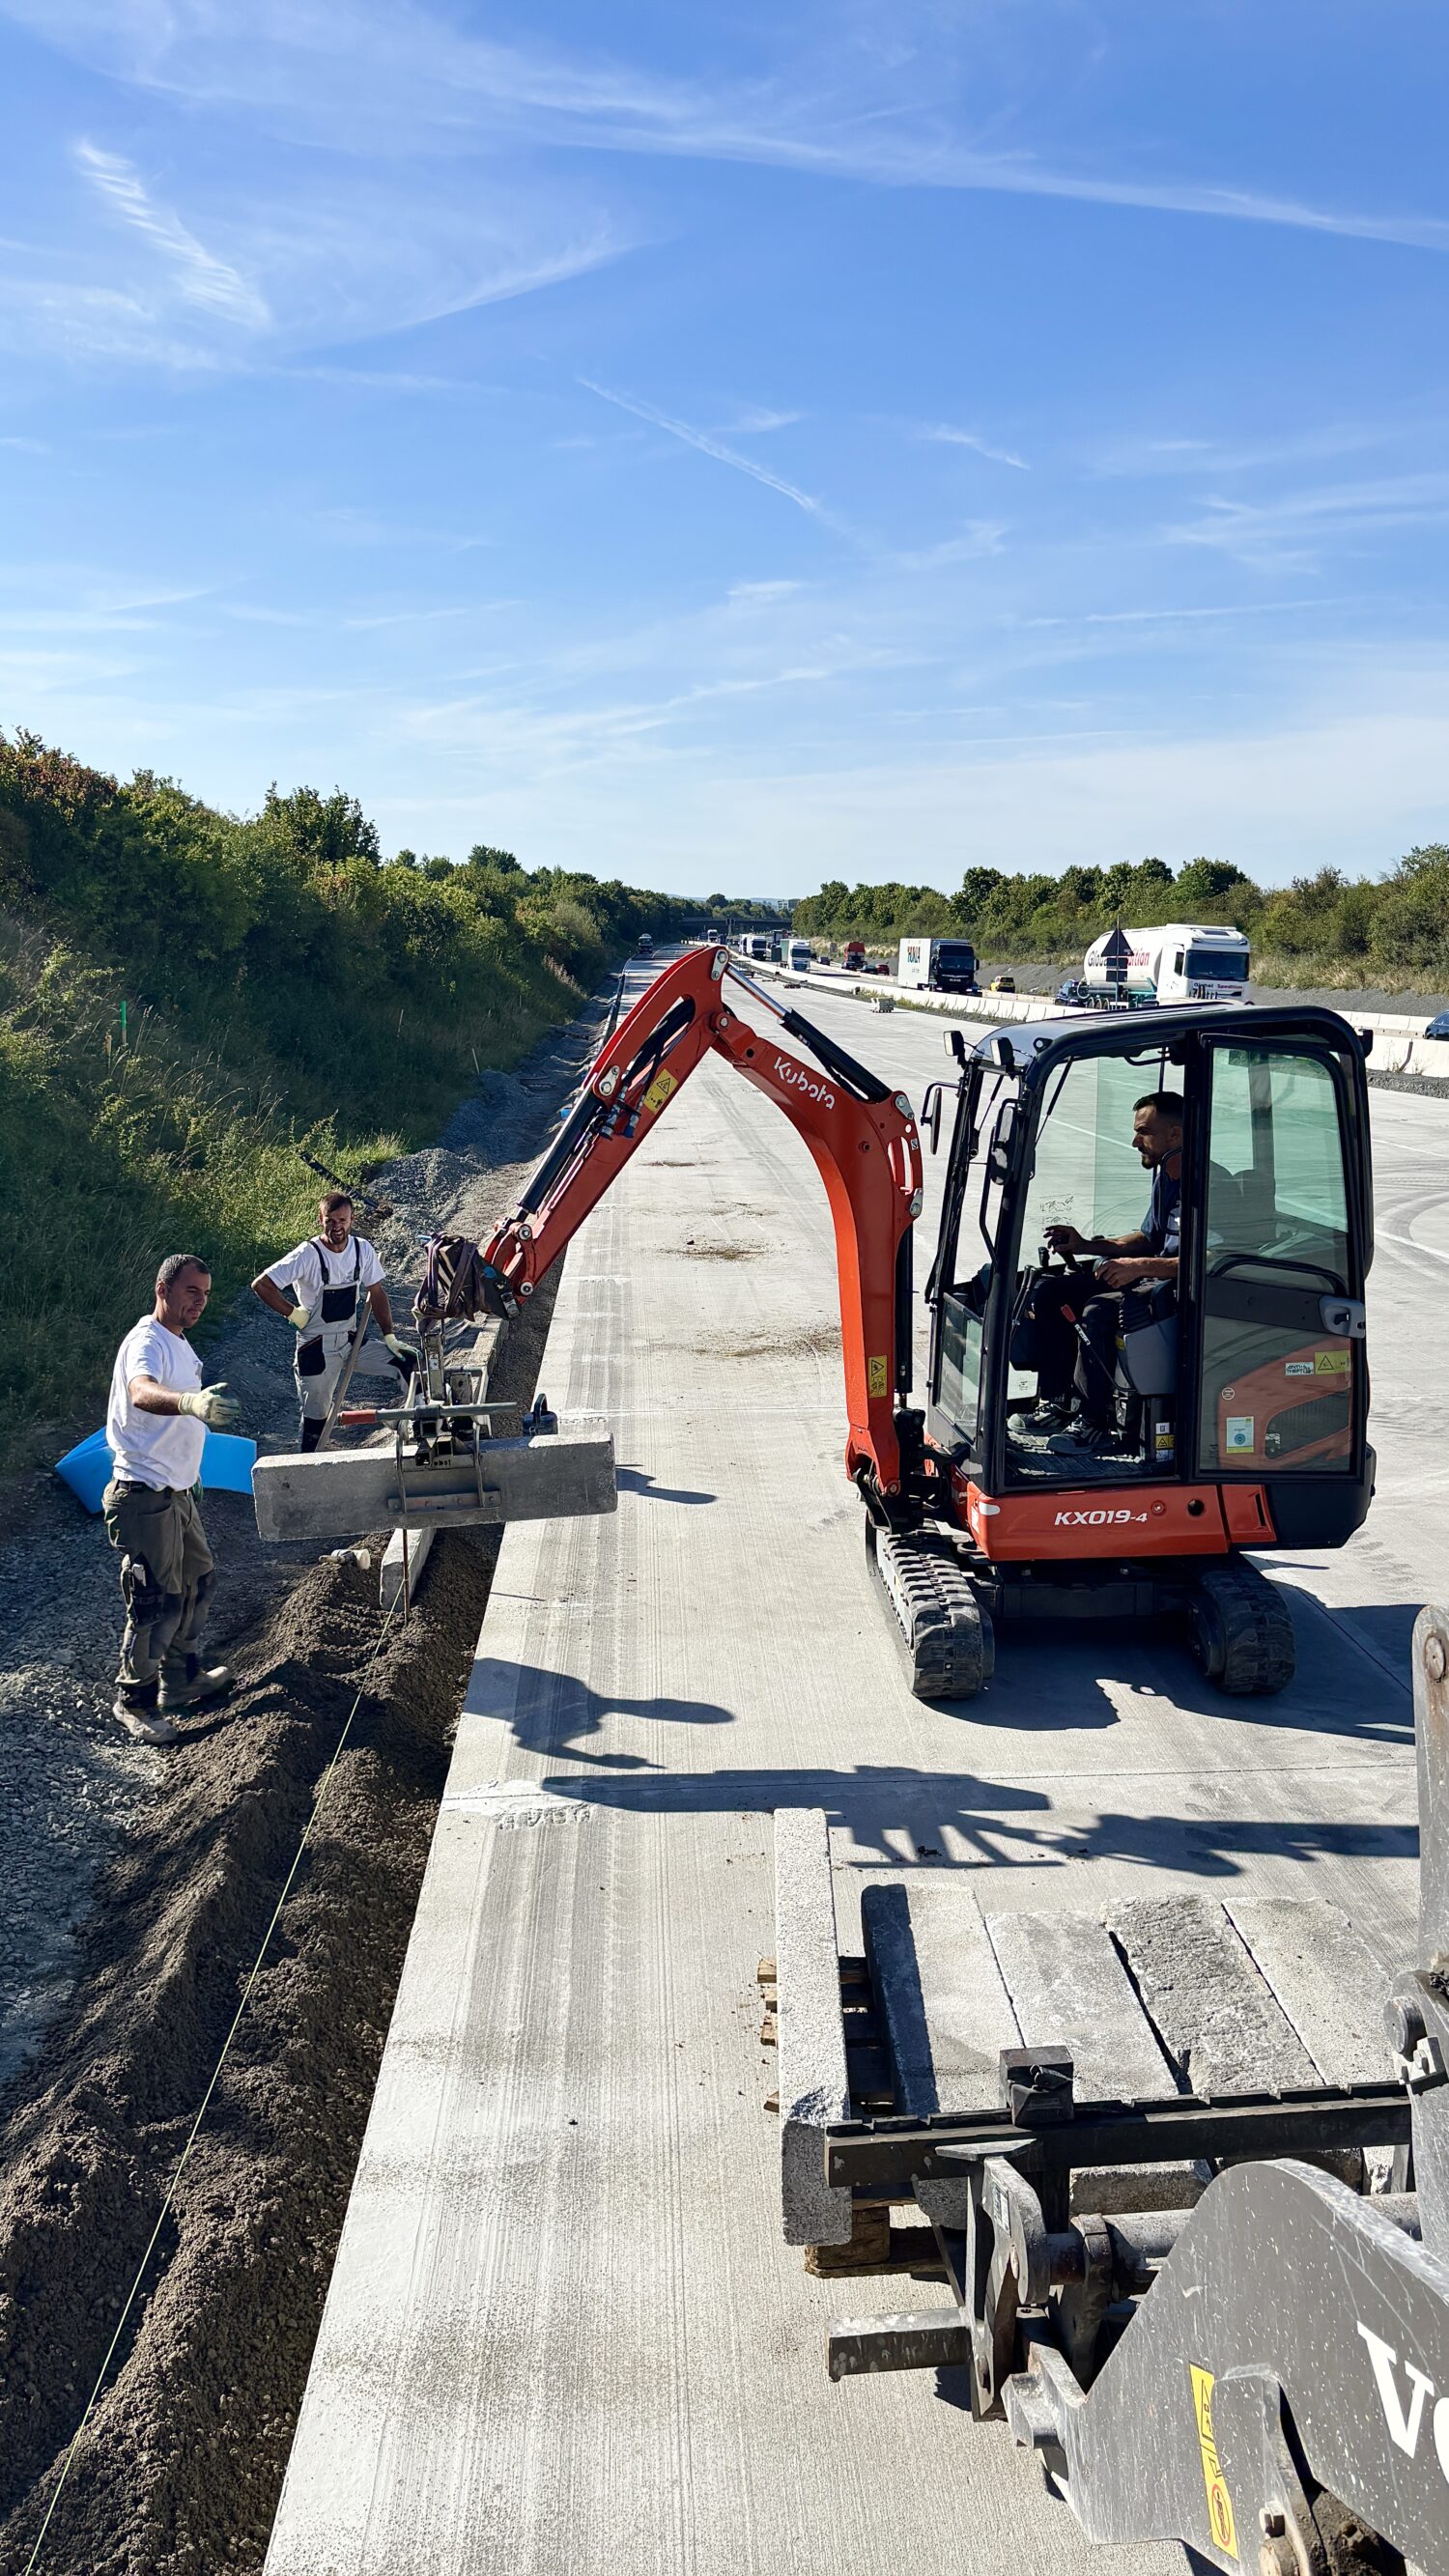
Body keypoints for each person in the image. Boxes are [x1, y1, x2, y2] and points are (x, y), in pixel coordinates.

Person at [104, 1255, 241, 1744]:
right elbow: (142, 1392)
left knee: (198, 1581)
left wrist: (191, 1470)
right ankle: (134, 1701)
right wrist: (189, 1402)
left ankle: (179, 1680)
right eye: (191, 1292)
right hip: (142, 1496)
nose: (200, 1301)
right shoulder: (147, 1340)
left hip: (177, 1492)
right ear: (163, 1288)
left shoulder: (180, 1343)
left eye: (205, 1293)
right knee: (154, 1601)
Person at [1022, 1090, 1184, 1459]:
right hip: (1151, 1276)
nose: (1134, 1141)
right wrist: (1084, 1246)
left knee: (1098, 1310)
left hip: (1179, 1288)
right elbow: (1148, 1238)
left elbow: (1207, 1261)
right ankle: (1060, 1401)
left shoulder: (1207, 1184)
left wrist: (1139, 1268)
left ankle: (1094, 1422)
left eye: (1144, 1132)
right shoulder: (1166, 1179)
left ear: (1174, 1136)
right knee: (1051, 1294)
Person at [252, 1192, 411, 1451]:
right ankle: (308, 1473)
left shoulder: (362, 1250)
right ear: (320, 1220)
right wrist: (293, 1313)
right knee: (316, 1422)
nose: (337, 1226)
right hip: (315, 1347)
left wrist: (389, 1336)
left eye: (342, 1220)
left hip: (350, 1341)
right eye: (330, 1220)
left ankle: (409, 1425)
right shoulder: (308, 1254)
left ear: (352, 1219)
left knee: (408, 1364)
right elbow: (262, 1285)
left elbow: (377, 1293)